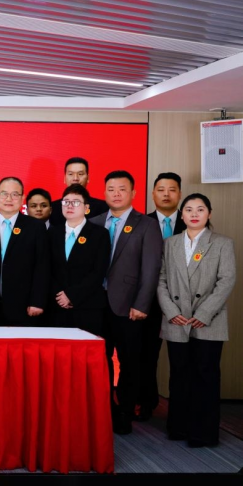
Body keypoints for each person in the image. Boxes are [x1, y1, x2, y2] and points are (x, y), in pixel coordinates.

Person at [157, 193, 235, 448]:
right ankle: (178, 428)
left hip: (208, 320)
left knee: (205, 375)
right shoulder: (170, 243)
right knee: (179, 375)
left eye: (200, 209)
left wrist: (203, 314)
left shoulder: (222, 243)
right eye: (189, 209)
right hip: (177, 319)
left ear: (209, 213)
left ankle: (203, 433)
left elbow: (227, 281)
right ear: (182, 215)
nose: (194, 214)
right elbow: (161, 280)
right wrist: (171, 311)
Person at [90, 170, 162, 435]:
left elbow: (151, 268)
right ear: (104, 193)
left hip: (129, 306)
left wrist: (142, 304)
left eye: (122, 189)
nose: (116, 194)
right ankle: (105, 409)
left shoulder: (146, 224)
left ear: (133, 193)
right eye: (111, 189)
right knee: (100, 361)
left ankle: (125, 411)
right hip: (96, 305)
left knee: (130, 361)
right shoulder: (94, 222)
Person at [0, 177, 49, 326]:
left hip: (23, 305)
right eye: (4, 193)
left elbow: (42, 266)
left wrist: (37, 301)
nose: (9, 199)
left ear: (23, 198)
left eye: (15, 194)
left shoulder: (36, 227)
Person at [138, 172, 186, 421]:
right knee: (146, 356)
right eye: (161, 189)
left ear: (180, 194)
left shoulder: (191, 222)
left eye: (172, 189)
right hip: (148, 301)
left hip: (183, 303)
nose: (166, 194)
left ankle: (180, 413)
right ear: (153, 194)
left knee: (182, 359)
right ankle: (147, 404)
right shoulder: (141, 223)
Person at [47, 184, 110, 336]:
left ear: (86, 208)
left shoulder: (99, 234)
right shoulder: (52, 233)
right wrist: (60, 296)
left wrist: (71, 295)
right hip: (57, 306)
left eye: (75, 202)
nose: (69, 206)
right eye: (66, 202)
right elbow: (46, 268)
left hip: (88, 306)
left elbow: (98, 272)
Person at [49, 157, 108, 226]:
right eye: (70, 174)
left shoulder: (103, 207)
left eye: (80, 174)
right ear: (64, 178)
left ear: (88, 178)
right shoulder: (53, 208)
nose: (75, 178)